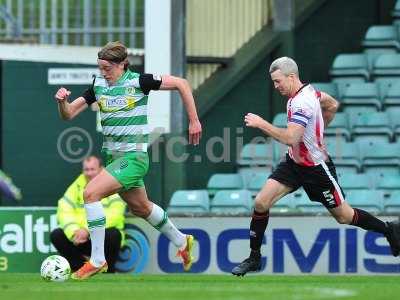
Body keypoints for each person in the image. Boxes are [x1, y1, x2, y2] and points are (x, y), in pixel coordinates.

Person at [231, 56, 400, 276]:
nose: (276, 86)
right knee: (261, 202)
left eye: (278, 81)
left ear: (291, 77)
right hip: (294, 163)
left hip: (316, 170)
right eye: (273, 82)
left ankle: (389, 229)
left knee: (344, 216)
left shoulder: (301, 102)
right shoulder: (310, 93)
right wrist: (318, 132)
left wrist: (262, 124)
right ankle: (254, 258)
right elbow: (332, 104)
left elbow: (291, 137)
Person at [54, 41, 202, 279]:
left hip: (133, 158)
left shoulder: (139, 81)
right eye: (100, 67)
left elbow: (182, 84)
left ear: (122, 65)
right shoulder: (98, 85)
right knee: (142, 208)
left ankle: (98, 259)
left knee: (91, 194)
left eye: (107, 68)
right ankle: (182, 241)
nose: (103, 72)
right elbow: (69, 114)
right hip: (114, 159)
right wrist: (62, 102)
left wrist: (193, 121)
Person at [50, 156, 125, 273]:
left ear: (101, 169)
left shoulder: (111, 184)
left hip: (101, 238)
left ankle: (107, 271)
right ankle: (82, 269)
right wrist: (74, 231)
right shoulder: (76, 186)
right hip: (81, 238)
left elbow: (116, 214)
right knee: (56, 235)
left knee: (114, 234)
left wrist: (88, 230)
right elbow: (64, 209)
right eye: (86, 169)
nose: (89, 173)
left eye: (92, 169)